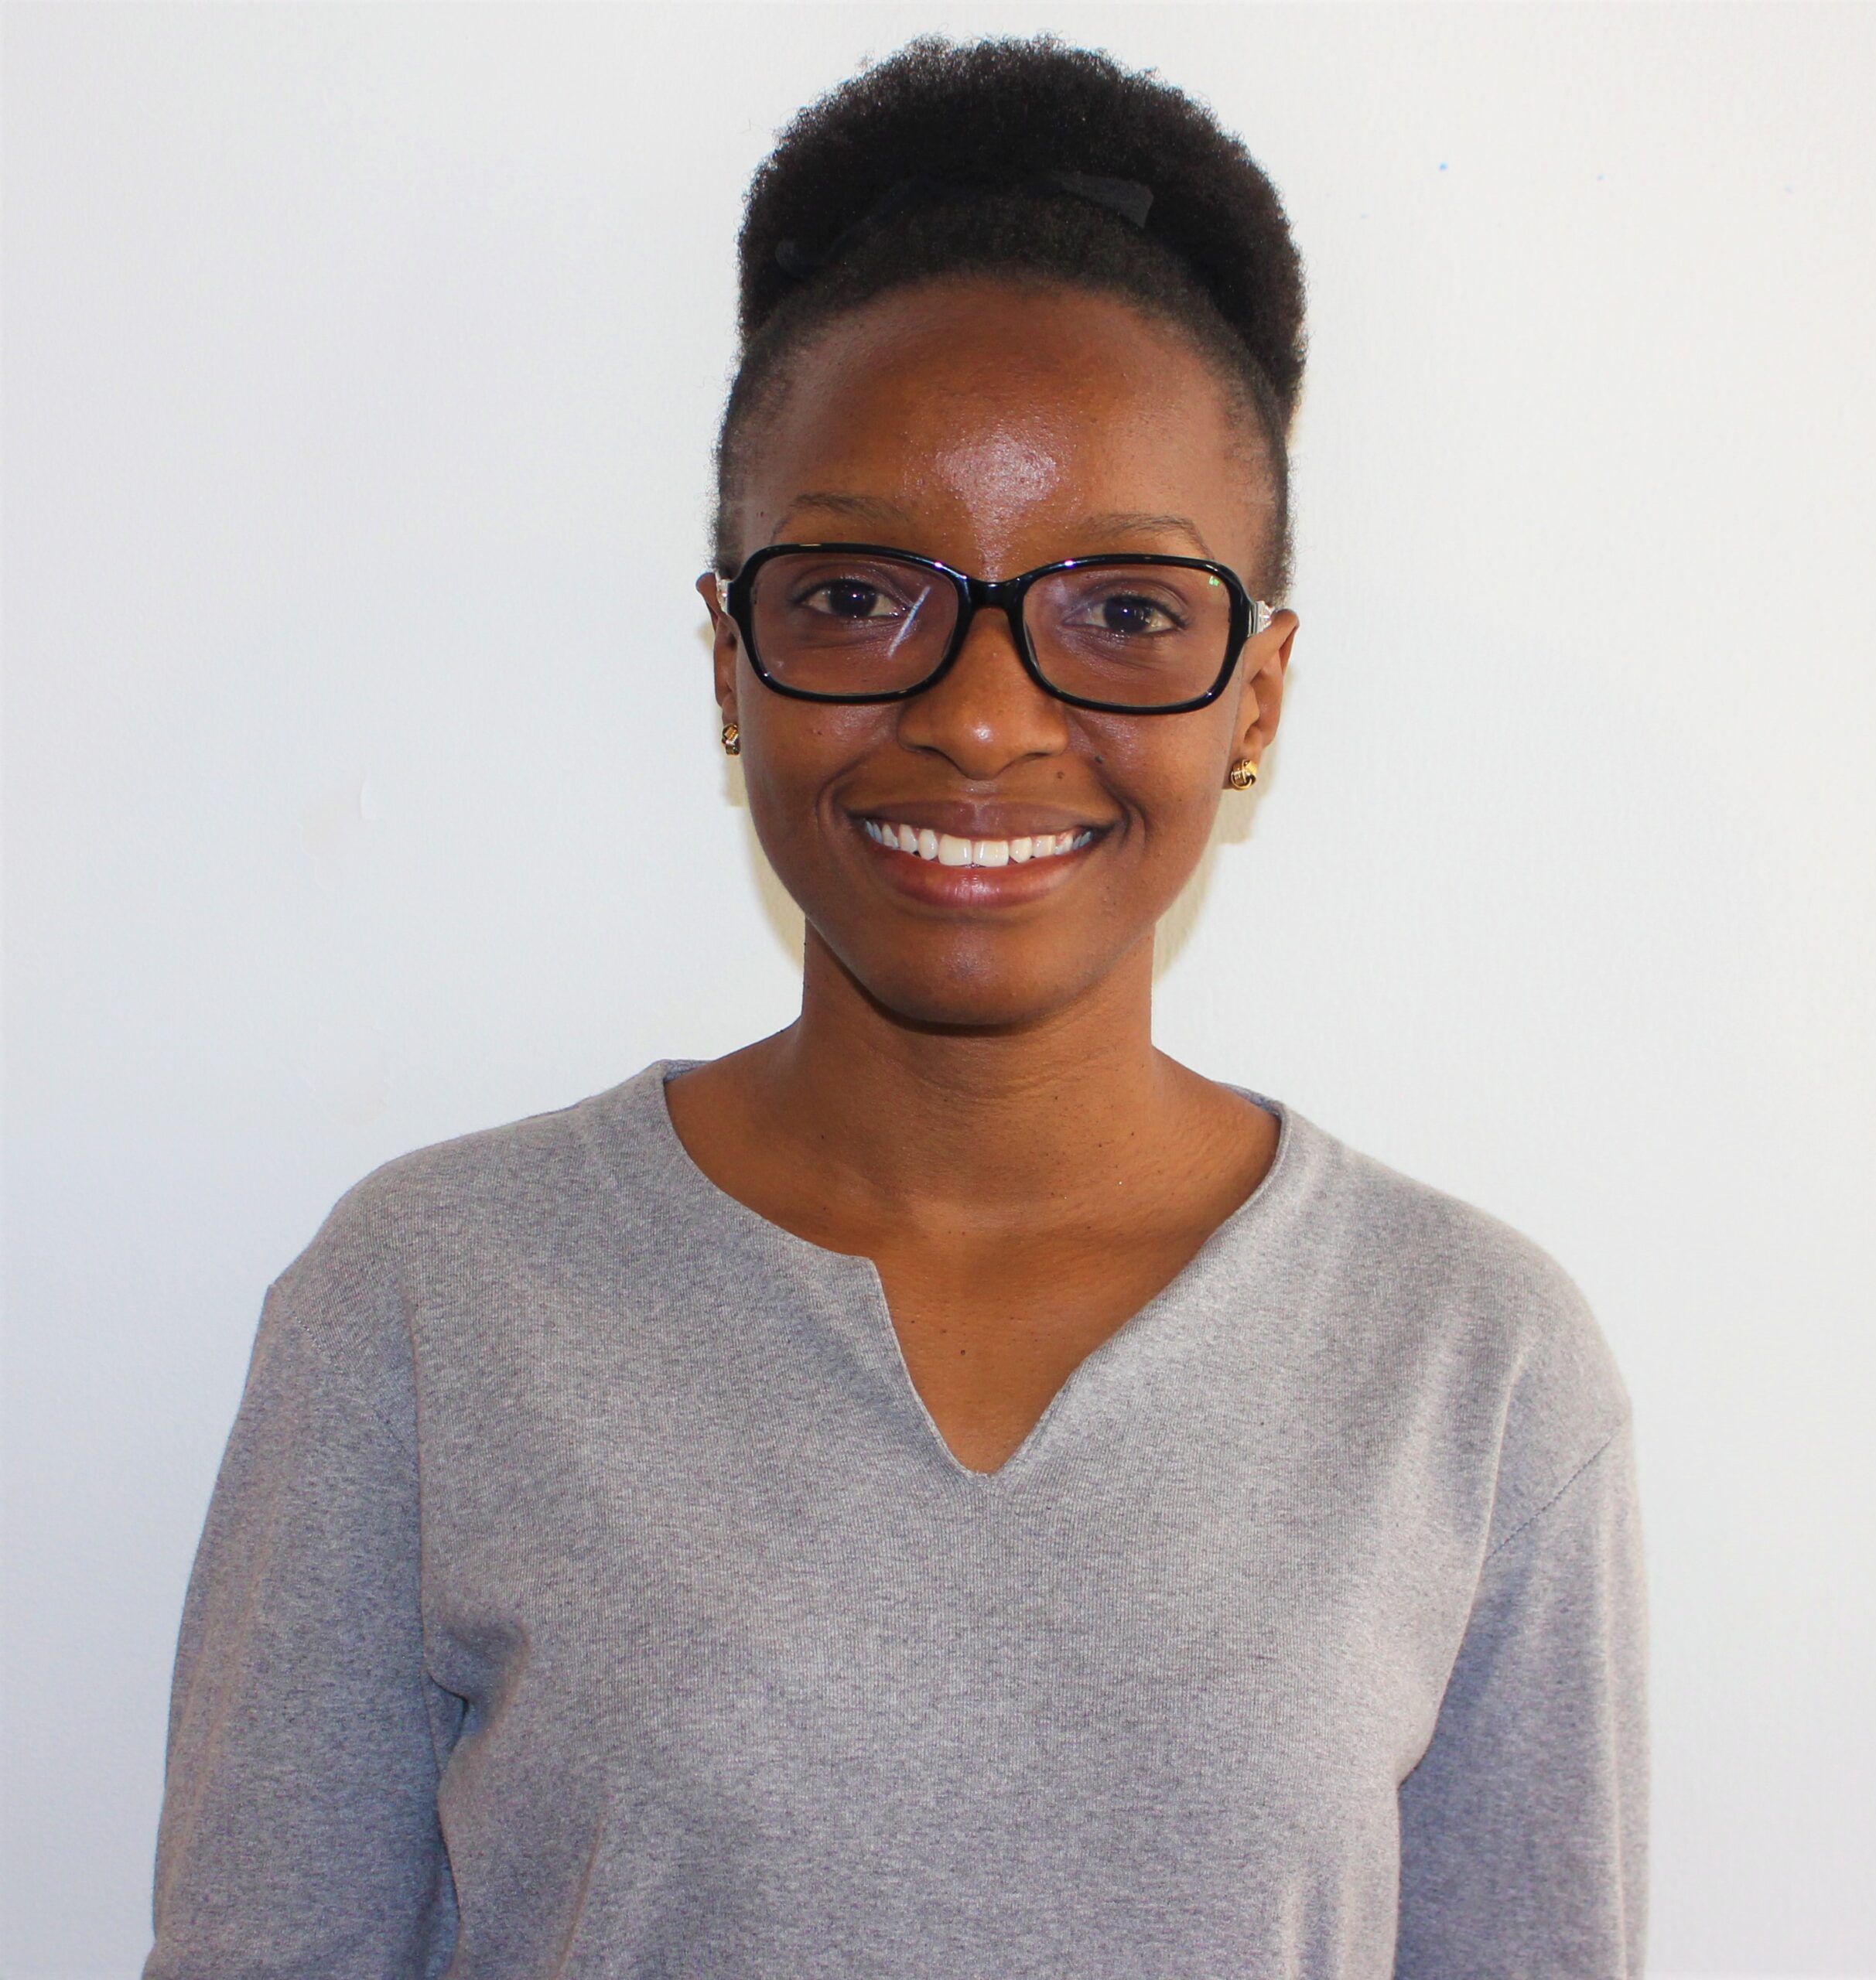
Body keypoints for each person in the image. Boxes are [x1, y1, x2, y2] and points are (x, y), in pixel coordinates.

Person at [142, 34, 1647, 1979]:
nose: (980, 715)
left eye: (1124, 610)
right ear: (726, 657)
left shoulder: (1470, 1366)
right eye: (857, 594)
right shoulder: (429, 1305)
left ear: (1257, 696)